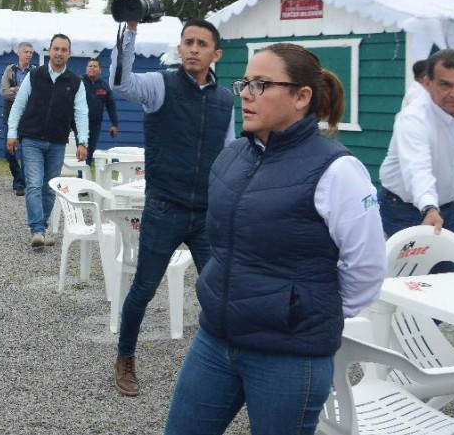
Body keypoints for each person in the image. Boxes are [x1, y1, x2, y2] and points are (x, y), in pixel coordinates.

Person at [164, 43, 386, 435]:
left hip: (288, 356)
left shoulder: (338, 171)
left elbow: (366, 269)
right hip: (216, 341)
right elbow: (221, 245)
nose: (246, 93)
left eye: (262, 84)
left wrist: (305, 313)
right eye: (245, 83)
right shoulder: (233, 157)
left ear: (302, 97)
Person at [107, 18, 233, 396]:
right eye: (187, 42)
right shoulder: (161, 84)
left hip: (206, 213)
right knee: (144, 288)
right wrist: (129, 30)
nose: (193, 48)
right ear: (179, 49)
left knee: (219, 291)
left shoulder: (226, 99)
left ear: (216, 54)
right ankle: (125, 357)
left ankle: (223, 363)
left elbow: (227, 155)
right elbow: (121, 83)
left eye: (201, 43)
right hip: (165, 208)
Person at [378, 49, 454, 238]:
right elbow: (418, 169)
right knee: (408, 268)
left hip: (445, 206)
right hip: (402, 208)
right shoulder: (413, 119)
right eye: (445, 85)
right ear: (427, 84)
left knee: (449, 266)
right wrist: (429, 208)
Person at [6, 34, 88, 248]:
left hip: (58, 142)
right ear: (49, 51)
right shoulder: (34, 75)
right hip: (31, 139)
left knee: (49, 188)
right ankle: (37, 230)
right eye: (56, 49)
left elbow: (81, 113)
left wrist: (83, 141)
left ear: (69, 53)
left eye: (64, 50)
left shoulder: (76, 82)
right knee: (33, 184)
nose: (59, 53)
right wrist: (12, 133)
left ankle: (41, 227)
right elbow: (18, 105)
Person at [0, 42, 34, 196]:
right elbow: (4, 92)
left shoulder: (34, 72)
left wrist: (15, 90)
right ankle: (18, 176)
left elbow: (34, 93)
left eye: (31, 52)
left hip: (28, 116)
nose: (28, 54)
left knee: (26, 151)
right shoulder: (9, 70)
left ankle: (20, 183)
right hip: (10, 115)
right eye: (26, 52)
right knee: (8, 151)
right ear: (19, 53)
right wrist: (22, 92)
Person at [79, 58, 118, 166]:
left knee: (89, 152)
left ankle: (84, 177)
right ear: (86, 68)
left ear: (100, 70)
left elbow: (111, 105)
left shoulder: (104, 86)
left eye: (95, 66)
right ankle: (78, 176)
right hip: (77, 125)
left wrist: (114, 124)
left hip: (94, 126)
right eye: (90, 66)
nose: (92, 68)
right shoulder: (78, 82)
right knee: (79, 152)